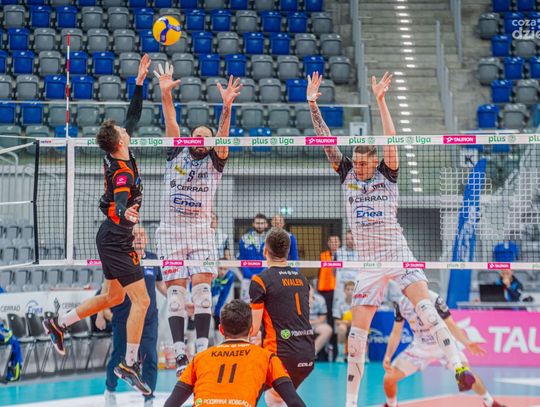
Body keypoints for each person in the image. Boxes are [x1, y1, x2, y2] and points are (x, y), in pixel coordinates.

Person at [306, 71, 476, 407]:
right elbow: (326, 142)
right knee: (357, 336)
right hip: (368, 263)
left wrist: (381, 101)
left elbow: (391, 138)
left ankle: (459, 366)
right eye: (356, 162)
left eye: (364, 162)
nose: (359, 166)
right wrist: (313, 104)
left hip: (396, 251)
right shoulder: (347, 174)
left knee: (426, 308)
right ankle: (351, 403)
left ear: (374, 161)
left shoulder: (387, 173)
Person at [43, 54, 153, 395]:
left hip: (110, 236)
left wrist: (139, 82)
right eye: (122, 132)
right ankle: (129, 363)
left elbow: (132, 116)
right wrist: (125, 213)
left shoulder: (117, 152)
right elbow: (118, 200)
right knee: (142, 302)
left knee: (112, 297)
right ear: (119, 142)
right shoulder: (122, 171)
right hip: (117, 238)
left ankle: (59, 323)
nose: (125, 130)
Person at [153, 62, 242, 375]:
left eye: (207, 136)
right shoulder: (176, 151)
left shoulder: (216, 162)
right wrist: (166, 94)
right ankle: (180, 355)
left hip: (202, 231)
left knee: (203, 294)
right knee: (176, 297)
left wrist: (226, 107)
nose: (202, 139)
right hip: (171, 231)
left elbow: (223, 134)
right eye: (197, 135)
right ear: (189, 138)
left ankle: (202, 353)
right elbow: (171, 120)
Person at [164, 300, 306, 407]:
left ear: (221, 330)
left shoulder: (200, 358)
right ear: (251, 330)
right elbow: (294, 402)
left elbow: (171, 404)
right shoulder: (266, 357)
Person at [383, 291, 506, 407]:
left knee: (467, 375)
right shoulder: (401, 303)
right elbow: (396, 332)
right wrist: (388, 355)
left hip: (444, 346)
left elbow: (451, 324)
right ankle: (391, 405)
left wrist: (467, 343)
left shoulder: (434, 299)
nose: (403, 288)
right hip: (420, 349)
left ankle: (489, 402)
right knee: (389, 379)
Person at [97, 225, 167, 407]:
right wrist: (100, 313)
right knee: (119, 357)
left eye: (142, 234)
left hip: (149, 319)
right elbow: (107, 287)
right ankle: (110, 389)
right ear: (129, 238)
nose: (139, 237)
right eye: (135, 235)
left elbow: (160, 285)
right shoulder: (121, 258)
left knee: (150, 357)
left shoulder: (153, 259)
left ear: (147, 239)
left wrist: (179, 299)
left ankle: (149, 398)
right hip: (124, 318)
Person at [250, 227, 315, 407]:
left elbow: (253, 330)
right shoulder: (302, 279)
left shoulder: (260, 280)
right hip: (307, 355)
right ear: (287, 252)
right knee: (275, 397)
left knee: (244, 391)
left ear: (265, 251)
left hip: (279, 357)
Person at [239, 213, 268, 301]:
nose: (260, 226)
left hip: (265, 278)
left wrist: (261, 275)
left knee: (265, 302)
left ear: (266, 224)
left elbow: (270, 259)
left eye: (262, 223)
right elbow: (242, 259)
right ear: (253, 224)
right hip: (248, 278)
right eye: (257, 223)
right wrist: (251, 275)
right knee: (245, 304)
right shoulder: (244, 238)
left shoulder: (270, 238)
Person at [333, 230, 360, 318]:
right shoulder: (338, 252)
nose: (350, 241)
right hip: (341, 286)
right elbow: (333, 270)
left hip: (355, 286)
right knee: (338, 311)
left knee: (356, 310)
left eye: (352, 238)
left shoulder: (361, 252)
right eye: (347, 239)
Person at [317, 235, 341, 330]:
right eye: (332, 241)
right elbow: (320, 272)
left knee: (336, 313)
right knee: (326, 312)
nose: (334, 243)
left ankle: (336, 336)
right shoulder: (323, 255)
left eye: (336, 241)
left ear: (339, 243)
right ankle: (329, 335)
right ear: (328, 243)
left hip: (337, 289)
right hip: (324, 289)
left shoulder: (342, 255)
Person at [211, 259, 236, 342]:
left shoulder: (231, 276)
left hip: (217, 296)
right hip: (205, 295)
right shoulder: (211, 274)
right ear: (216, 267)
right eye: (220, 268)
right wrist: (209, 308)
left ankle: (219, 343)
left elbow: (224, 294)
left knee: (218, 316)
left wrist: (217, 310)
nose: (222, 272)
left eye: (225, 269)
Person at [309, 284, 333, 358]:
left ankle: (311, 354)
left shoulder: (320, 299)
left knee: (328, 330)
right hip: (301, 325)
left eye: (310, 289)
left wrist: (311, 322)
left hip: (315, 324)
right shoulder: (297, 299)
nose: (308, 291)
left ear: (313, 290)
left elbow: (322, 318)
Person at [334, 281, 354, 362]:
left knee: (362, 328)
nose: (350, 292)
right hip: (344, 325)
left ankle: (364, 355)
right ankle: (340, 355)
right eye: (348, 289)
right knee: (341, 328)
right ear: (344, 290)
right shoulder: (339, 303)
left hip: (355, 325)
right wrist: (346, 322)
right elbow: (337, 321)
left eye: (352, 289)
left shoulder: (358, 303)